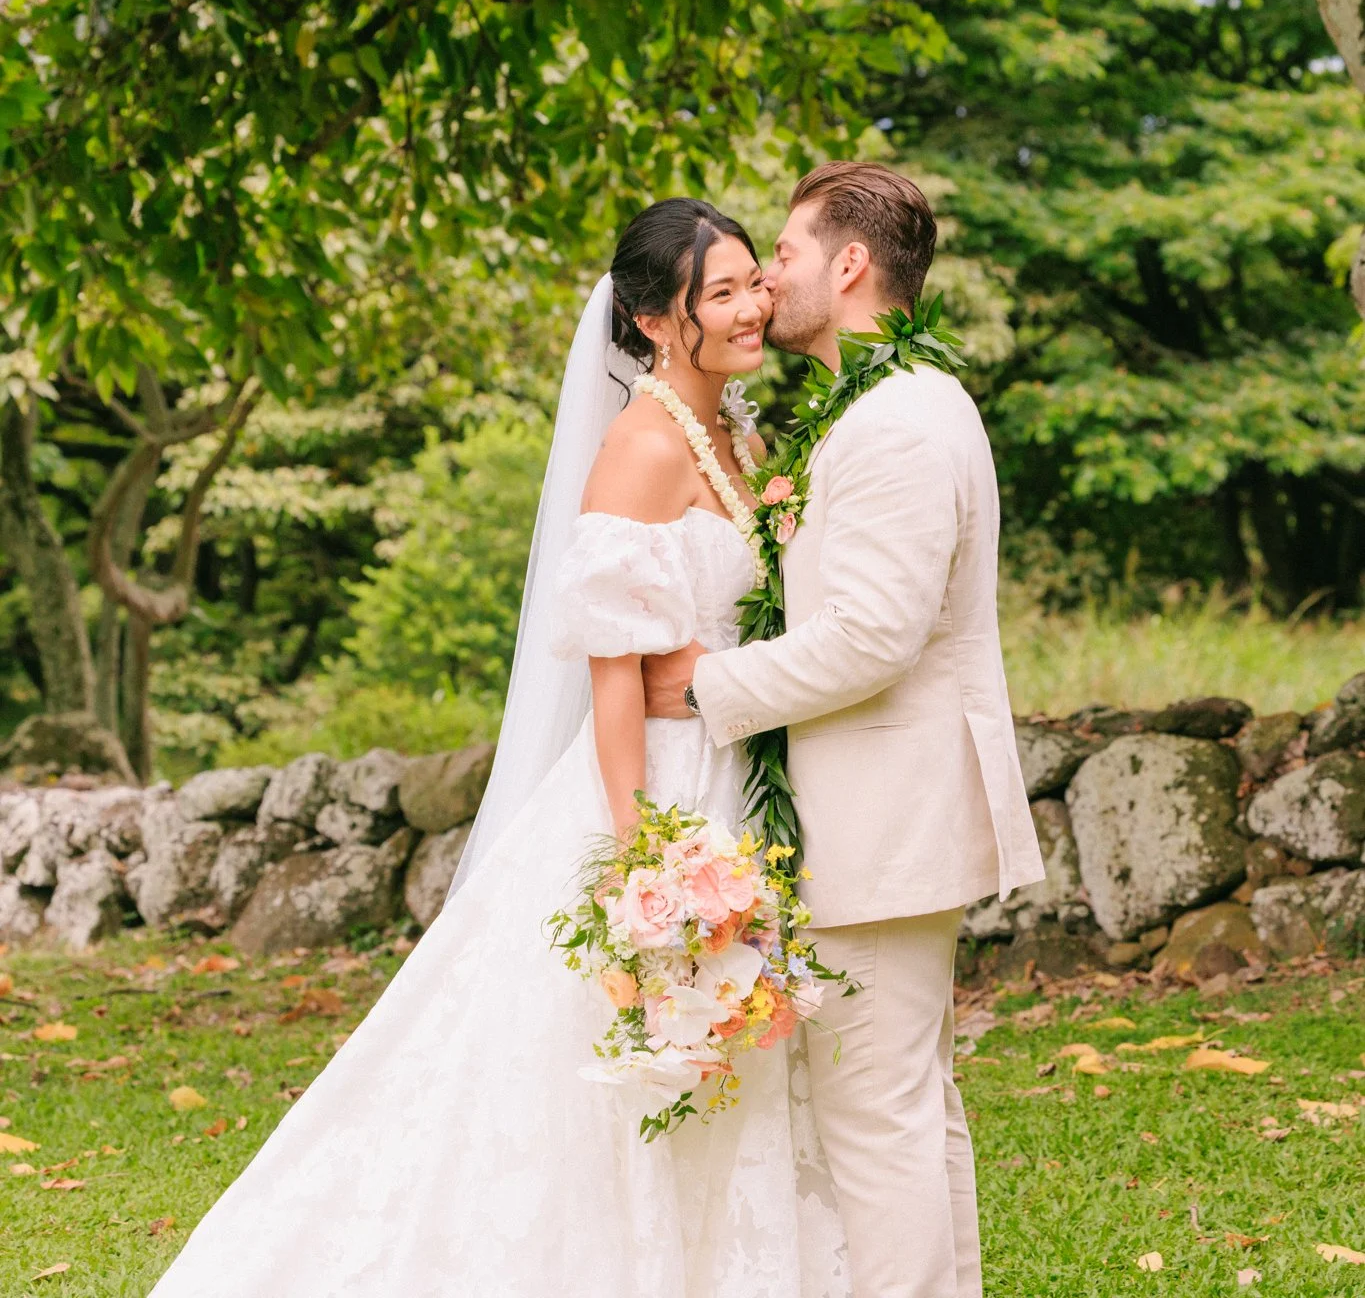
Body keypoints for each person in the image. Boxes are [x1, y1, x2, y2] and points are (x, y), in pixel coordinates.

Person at [146, 198, 850, 1298]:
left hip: (737, 779)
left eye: (755, 279)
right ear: (657, 320)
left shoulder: (739, 432)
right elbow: (613, 678)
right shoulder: (640, 448)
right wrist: (644, 862)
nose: (755, 302)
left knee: (732, 1059)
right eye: (722, 290)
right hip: (659, 791)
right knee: (604, 1065)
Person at [643, 162, 1044, 1298]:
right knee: (910, 1111)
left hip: (885, 824)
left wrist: (710, 684)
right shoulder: (877, 406)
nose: (769, 276)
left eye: (786, 249)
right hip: (884, 817)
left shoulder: (899, 423)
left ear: (851, 263)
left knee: (882, 1120)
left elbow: (875, 633)